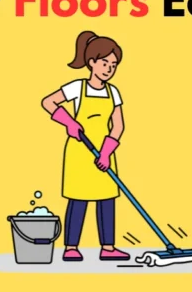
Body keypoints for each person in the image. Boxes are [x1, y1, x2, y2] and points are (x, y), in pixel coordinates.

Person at [41, 30, 130, 262]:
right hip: (80, 153)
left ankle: (108, 247)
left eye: (114, 64)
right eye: (105, 62)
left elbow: (118, 126)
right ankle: (71, 246)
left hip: (104, 154)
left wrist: (107, 152)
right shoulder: (77, 87)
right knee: (78, 199)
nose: (109, 68)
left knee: (107, 200)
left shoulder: (114, 92)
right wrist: (68, 121)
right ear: (91, 62)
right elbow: (48, 102)